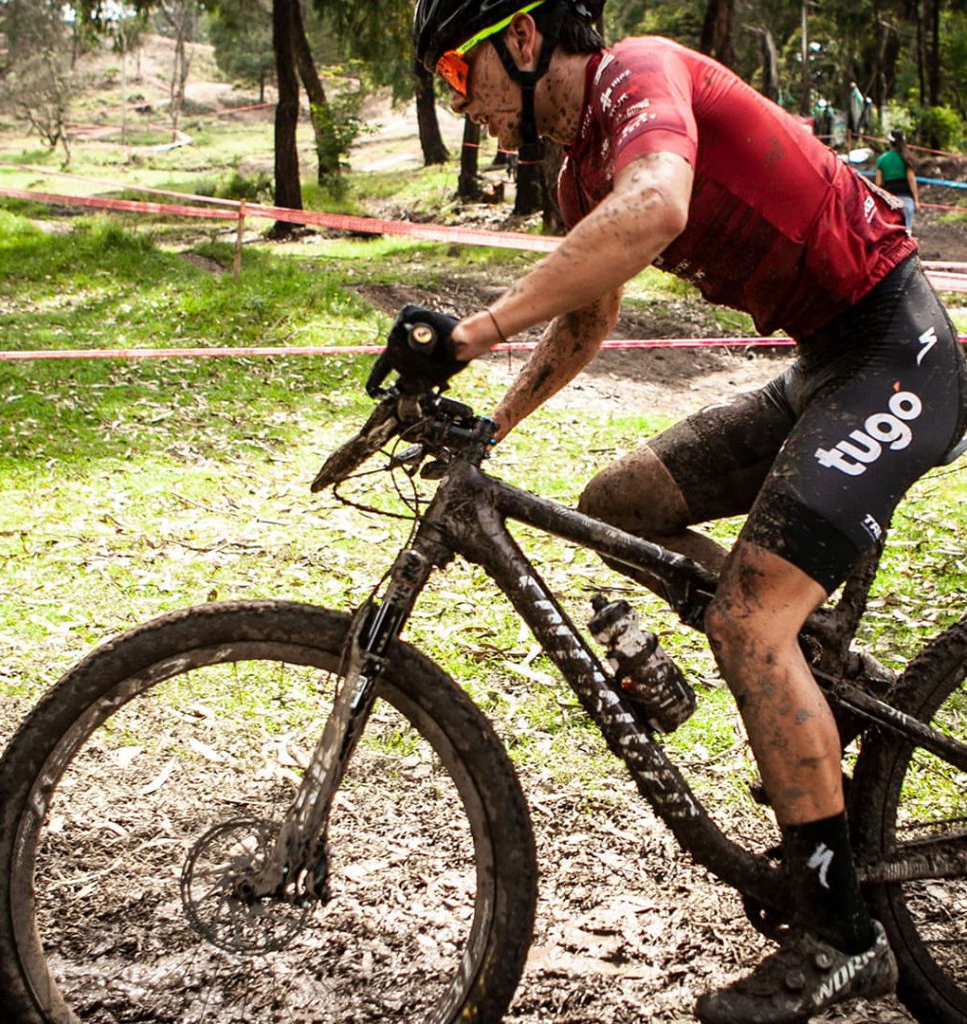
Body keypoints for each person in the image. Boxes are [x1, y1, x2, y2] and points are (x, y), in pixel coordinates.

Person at [408, 1, 967, 1021]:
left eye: (459, 70)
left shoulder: (639, 72)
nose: (461, 102)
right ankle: (815, 683)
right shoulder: (581, 170)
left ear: (524, 40)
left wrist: (471, 331)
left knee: (747, 621)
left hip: (893, 357)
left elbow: (659, 206)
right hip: (824, 367)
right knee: (618, 502)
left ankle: (841, 932)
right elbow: (590, 313)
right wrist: (492, 427)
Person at [876, 129, 920, 235]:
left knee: (891, 233)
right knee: (907, 232)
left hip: (889, 200)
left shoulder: (882, 159)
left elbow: (878, 184)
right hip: (906, 199)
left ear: (890, 142)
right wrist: (916, 200)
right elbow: (911, 180)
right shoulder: (907, 158)